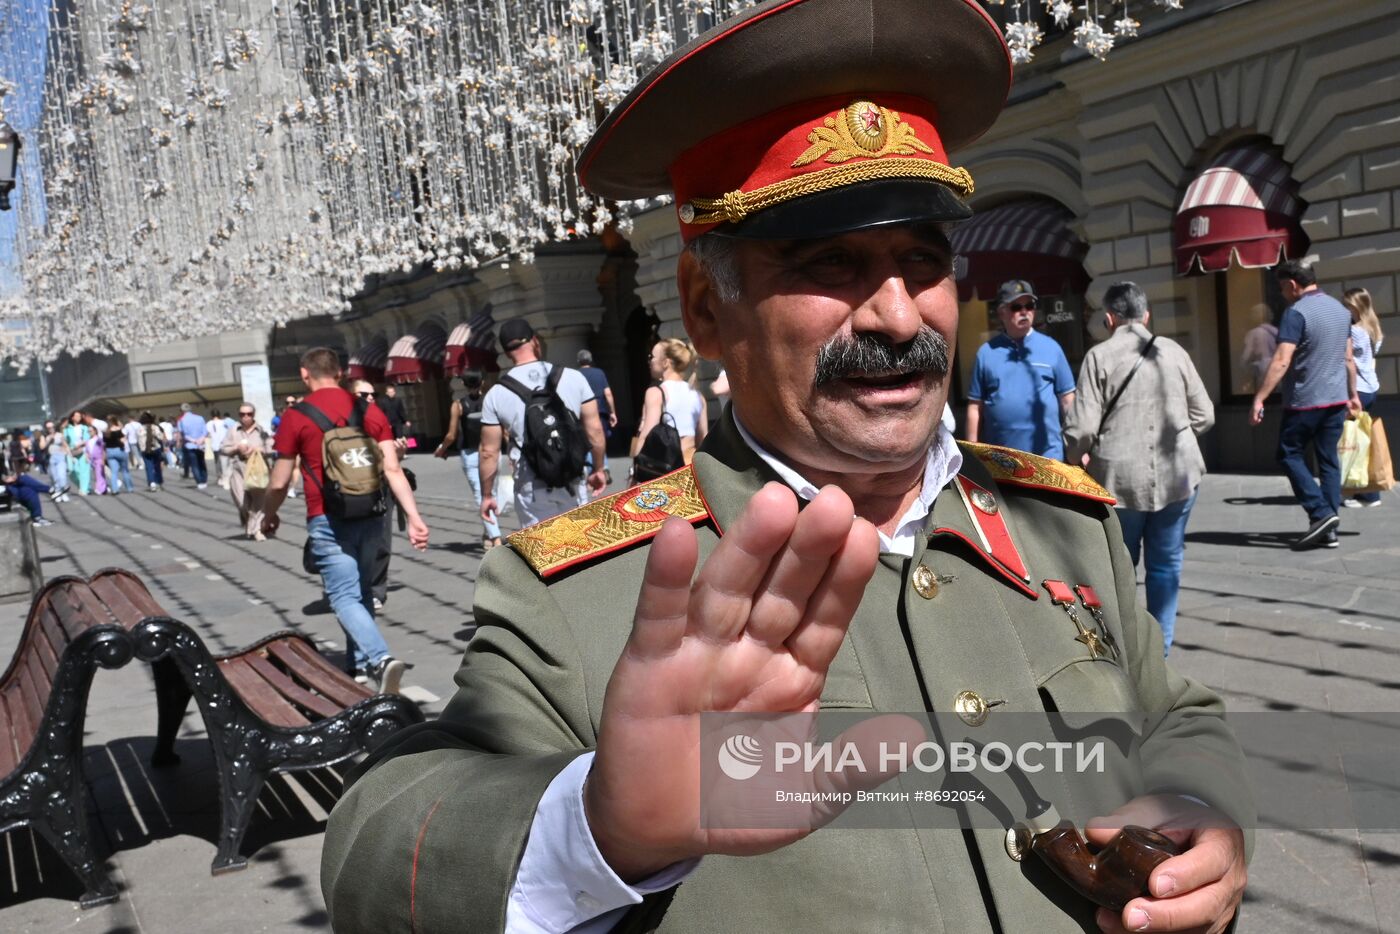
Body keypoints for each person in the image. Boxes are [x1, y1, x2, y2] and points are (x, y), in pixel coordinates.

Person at [322, 4, 1251, 932]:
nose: (898, 315)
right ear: (708, 311)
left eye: (922, 261)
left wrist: (1204, 818)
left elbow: (1175, 713)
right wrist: (598, 831)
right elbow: (375, 840)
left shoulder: (1064, 522)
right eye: (835, 263)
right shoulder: (587, 589)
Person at [261, 348, 429, 693]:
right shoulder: (370, 410)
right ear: (340, 373)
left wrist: (269, 514)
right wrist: (414, 517)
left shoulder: (296, 416)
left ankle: (380, 660)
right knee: (362, 592)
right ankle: (358, 668)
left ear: (305, 375)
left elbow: (279, 481)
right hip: (371, 514)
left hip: (327, 516)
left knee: (342, 597)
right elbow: (392, 468)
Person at [1063, 282, 1215, 654]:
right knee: (1166, 564)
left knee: (1120, 568)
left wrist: (1077, 456)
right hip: (1179, 476)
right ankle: (1160, 648)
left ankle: (1129, 645)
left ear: (1110, 318)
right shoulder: (1174, 352)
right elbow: (1205, 416)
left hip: (1119, 481)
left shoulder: (1099, 356)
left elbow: (1081, 429)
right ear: (1146, 316)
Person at [1250, 261, 1362, 548]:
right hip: (1336, 399)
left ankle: (1320, 511)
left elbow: (1282, 360)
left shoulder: (1296, 312)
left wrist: (1260, 397)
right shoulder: (1340, 310)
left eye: (1282, 286)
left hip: (1305, 402)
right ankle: (1329, 527)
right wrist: (1353, 394)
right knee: (1328, 460)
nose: (1282, 292)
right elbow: (1349, 358)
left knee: (1288, 454)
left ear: (1292, 284)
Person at [478, 319, 607, 526]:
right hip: (572, 477)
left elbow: (488, 452)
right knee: (581, 547)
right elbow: (595, 431)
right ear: (535, 341)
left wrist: (487, 495)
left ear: (506, 352)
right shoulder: (574, 377)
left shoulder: (496, 394)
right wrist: (599, 469)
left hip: (531, 486)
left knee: (545, 553)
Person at [965, 279, 1076, 459]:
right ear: (1002, 312)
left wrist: (1079, 446)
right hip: (1001, 461)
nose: (1024, 312)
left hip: (1048, 458)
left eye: (1030, 305)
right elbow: (975, 407)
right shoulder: (986, 353)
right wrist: (972, 454)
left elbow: (1067, 401)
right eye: (1016, 307)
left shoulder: (1052, 348)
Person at [434, 371, 503, 550]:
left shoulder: (458, 405)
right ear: (482, 383)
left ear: (464, 385)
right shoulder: (491, 401)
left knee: (482, 494)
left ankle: (494, 537)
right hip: (493, 451)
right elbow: (504, 427)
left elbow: (451, 434)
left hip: (471, 454)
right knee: (491, 493)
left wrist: (442, 449)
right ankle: (490, 532)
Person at [633, 337, 709, 467]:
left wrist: (635, 469)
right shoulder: (698, 396)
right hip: (691, 466)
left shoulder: (656, 393)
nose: (649, 361)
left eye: (652, 356)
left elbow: (646, 436)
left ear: (665, 363)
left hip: (666, 467)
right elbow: (703, 439)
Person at [1342, 287, 1386, 508]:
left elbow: (1346, 359)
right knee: (1362, 440)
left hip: (1357, 390)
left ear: (1356, 306)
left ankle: (1365, 494)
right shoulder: (1373, 328)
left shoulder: (1355, 332)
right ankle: (1367, 492)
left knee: (1355, 443)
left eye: (1347, 305)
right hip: (1371, 387)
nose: (1345, 309)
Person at [222, 403, 273, 539]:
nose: (245, 417)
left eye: (249, 414)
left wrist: (258, 450)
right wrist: (236, 448)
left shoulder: (261, 431)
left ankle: (256, 531)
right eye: (242, 414)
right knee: (242, 502)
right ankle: (249, 523)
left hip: (257, 469)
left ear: (253, 415)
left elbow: (271, 447)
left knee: (258, 501)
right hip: (239, 468)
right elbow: (223, 448)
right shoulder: (233, 430)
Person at [577, 349, 618, 478]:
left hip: (582, 411)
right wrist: (612, 412)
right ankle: (603, 467)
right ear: (591, 360)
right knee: (599, 438)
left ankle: (593, 469)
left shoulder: (576, 375)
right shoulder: (599, 373)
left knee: (587, 440)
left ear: (578, 361)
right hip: (600, 410)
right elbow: (608, 394)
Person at [3, 458, 54, 527]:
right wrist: (12, 478)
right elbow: (5, 479)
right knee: (27, 485)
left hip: (9, 487)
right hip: (8, 488)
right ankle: (49, 490)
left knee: (28, 486)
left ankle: (37, 517)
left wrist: (13, 477)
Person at [177, 402, 210, 489]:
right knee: (202, 462)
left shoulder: (181, 420)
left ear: (182, 411)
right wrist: (200, 439)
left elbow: (183, 434)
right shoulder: (200, 418)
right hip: (201, 444)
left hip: (190, 444)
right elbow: (205, 431)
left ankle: (199, 482)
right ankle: (204, 480)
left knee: (194, 464)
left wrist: (193, 440)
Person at [63, 411, 93, 495]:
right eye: (77, 416)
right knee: (72, 470)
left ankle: (84, 490)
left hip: (83, 450)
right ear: (72, 417)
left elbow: (87, 439)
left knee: (84, 471)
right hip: (71, 451)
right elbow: (64, 440)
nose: (78, 417)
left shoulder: (84, 427)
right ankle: (83, 486)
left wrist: (80, 444)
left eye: (80, 416)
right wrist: (67, 448)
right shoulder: (67, 428)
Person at [40, 421, 71, 502]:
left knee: (62, 475)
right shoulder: (44, 436)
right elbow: (42, 447)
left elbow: (65, 445)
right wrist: (48, 440)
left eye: (52, 427)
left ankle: (64, 493)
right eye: (49, 428)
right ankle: (58, 492)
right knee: (54, 477)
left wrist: (69, 454)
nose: (51, 429)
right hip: (50, 458)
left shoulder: (59, 435)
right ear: (46, 429)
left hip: (60, 457)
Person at [102, 421, 134, 494]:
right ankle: (129, 487)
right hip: (119, 450)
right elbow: (123, 440)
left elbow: (104, 444)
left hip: (109, 451)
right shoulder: (118, 432)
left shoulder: (105, 433)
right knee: (124, 470)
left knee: (114, 472)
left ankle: (114, 489)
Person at [136, 412, 166, 490]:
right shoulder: (155, 427)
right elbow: (161, 437)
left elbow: (138, 440)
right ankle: (159, 482)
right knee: (157, 467)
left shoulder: (140, 429)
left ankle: (152, 483)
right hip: (156, 448)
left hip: (145, 450)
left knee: (149, 467)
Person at [207, 409, 231, 489]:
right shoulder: (224, 422)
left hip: (215, 445)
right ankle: (225, 478)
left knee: (217, 462)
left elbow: (207, 433)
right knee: (225, 462)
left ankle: (220, 478)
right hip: (224, 444)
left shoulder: (209, 423)